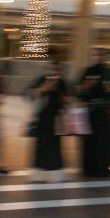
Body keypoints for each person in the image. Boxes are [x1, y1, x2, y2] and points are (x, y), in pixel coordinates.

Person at [77, 47, 110, 178]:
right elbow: (79, 91)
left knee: (102, 142)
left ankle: (101, 168)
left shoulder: (109, 72)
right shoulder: (90, 71)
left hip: (103, 111)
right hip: (93, 110)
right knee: (92, 141)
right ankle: (91, 169)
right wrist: (87, 86)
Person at [28, 54, 68, 182]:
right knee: (41, 145)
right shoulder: (42, 80)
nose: (53, 72)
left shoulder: (61, 82)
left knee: (54, 146)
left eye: (56, 70)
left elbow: (69, 98)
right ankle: (40, 173)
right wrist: (43, 89)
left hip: (56, 119)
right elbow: (29, 93)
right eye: (51, 69)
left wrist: (65, 100)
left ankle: (54, 174)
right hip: (42, 118)